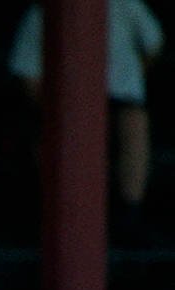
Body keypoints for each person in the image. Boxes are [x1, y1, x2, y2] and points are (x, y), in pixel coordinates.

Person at [10, 1, 162, 241]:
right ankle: (65, 216)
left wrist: (135, 77)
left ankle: (130, 213)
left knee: (134, 122)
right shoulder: (42, 13)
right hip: (65, 107)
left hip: (120, 104)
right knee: (52, 132)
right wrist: (57, 108)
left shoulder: (126, 4)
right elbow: (28, 78)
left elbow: (154, 43)